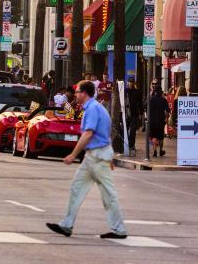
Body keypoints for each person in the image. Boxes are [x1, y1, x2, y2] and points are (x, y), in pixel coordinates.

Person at [46, 80, 128, 240]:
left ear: (84, 93)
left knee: (108, 194)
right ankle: (67, 225)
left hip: (97, 157)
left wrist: (73, 154)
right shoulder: (97, 108)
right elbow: (104, 134)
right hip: (94, 157)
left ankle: (119, 230)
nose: (75, 95)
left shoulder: (92, 109)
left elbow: (88, 134)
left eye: (77, 92)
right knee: (77, 188)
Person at [147, 84, 170, 158]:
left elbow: (146, 108)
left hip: (152, 121)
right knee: (160, 137)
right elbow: (167, 111)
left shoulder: (151, 99)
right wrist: (166, 118)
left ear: (155, 91)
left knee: (154, 136)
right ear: (161, 91)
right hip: (160, 121)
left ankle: (154, 151)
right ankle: (161, 150)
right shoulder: (164, 100)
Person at [125, 78, 142, 156]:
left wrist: (141, 113)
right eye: (129, 82)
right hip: (126, 114)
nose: (130, 84)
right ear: (127, 83)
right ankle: (127, 144)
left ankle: (131, 146)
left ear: (134, 83)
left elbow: (140, 102)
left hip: (134, 114)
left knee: (132, 131)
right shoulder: (125, 91)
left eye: (132, 82)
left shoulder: (137, 92)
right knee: (125, 130)